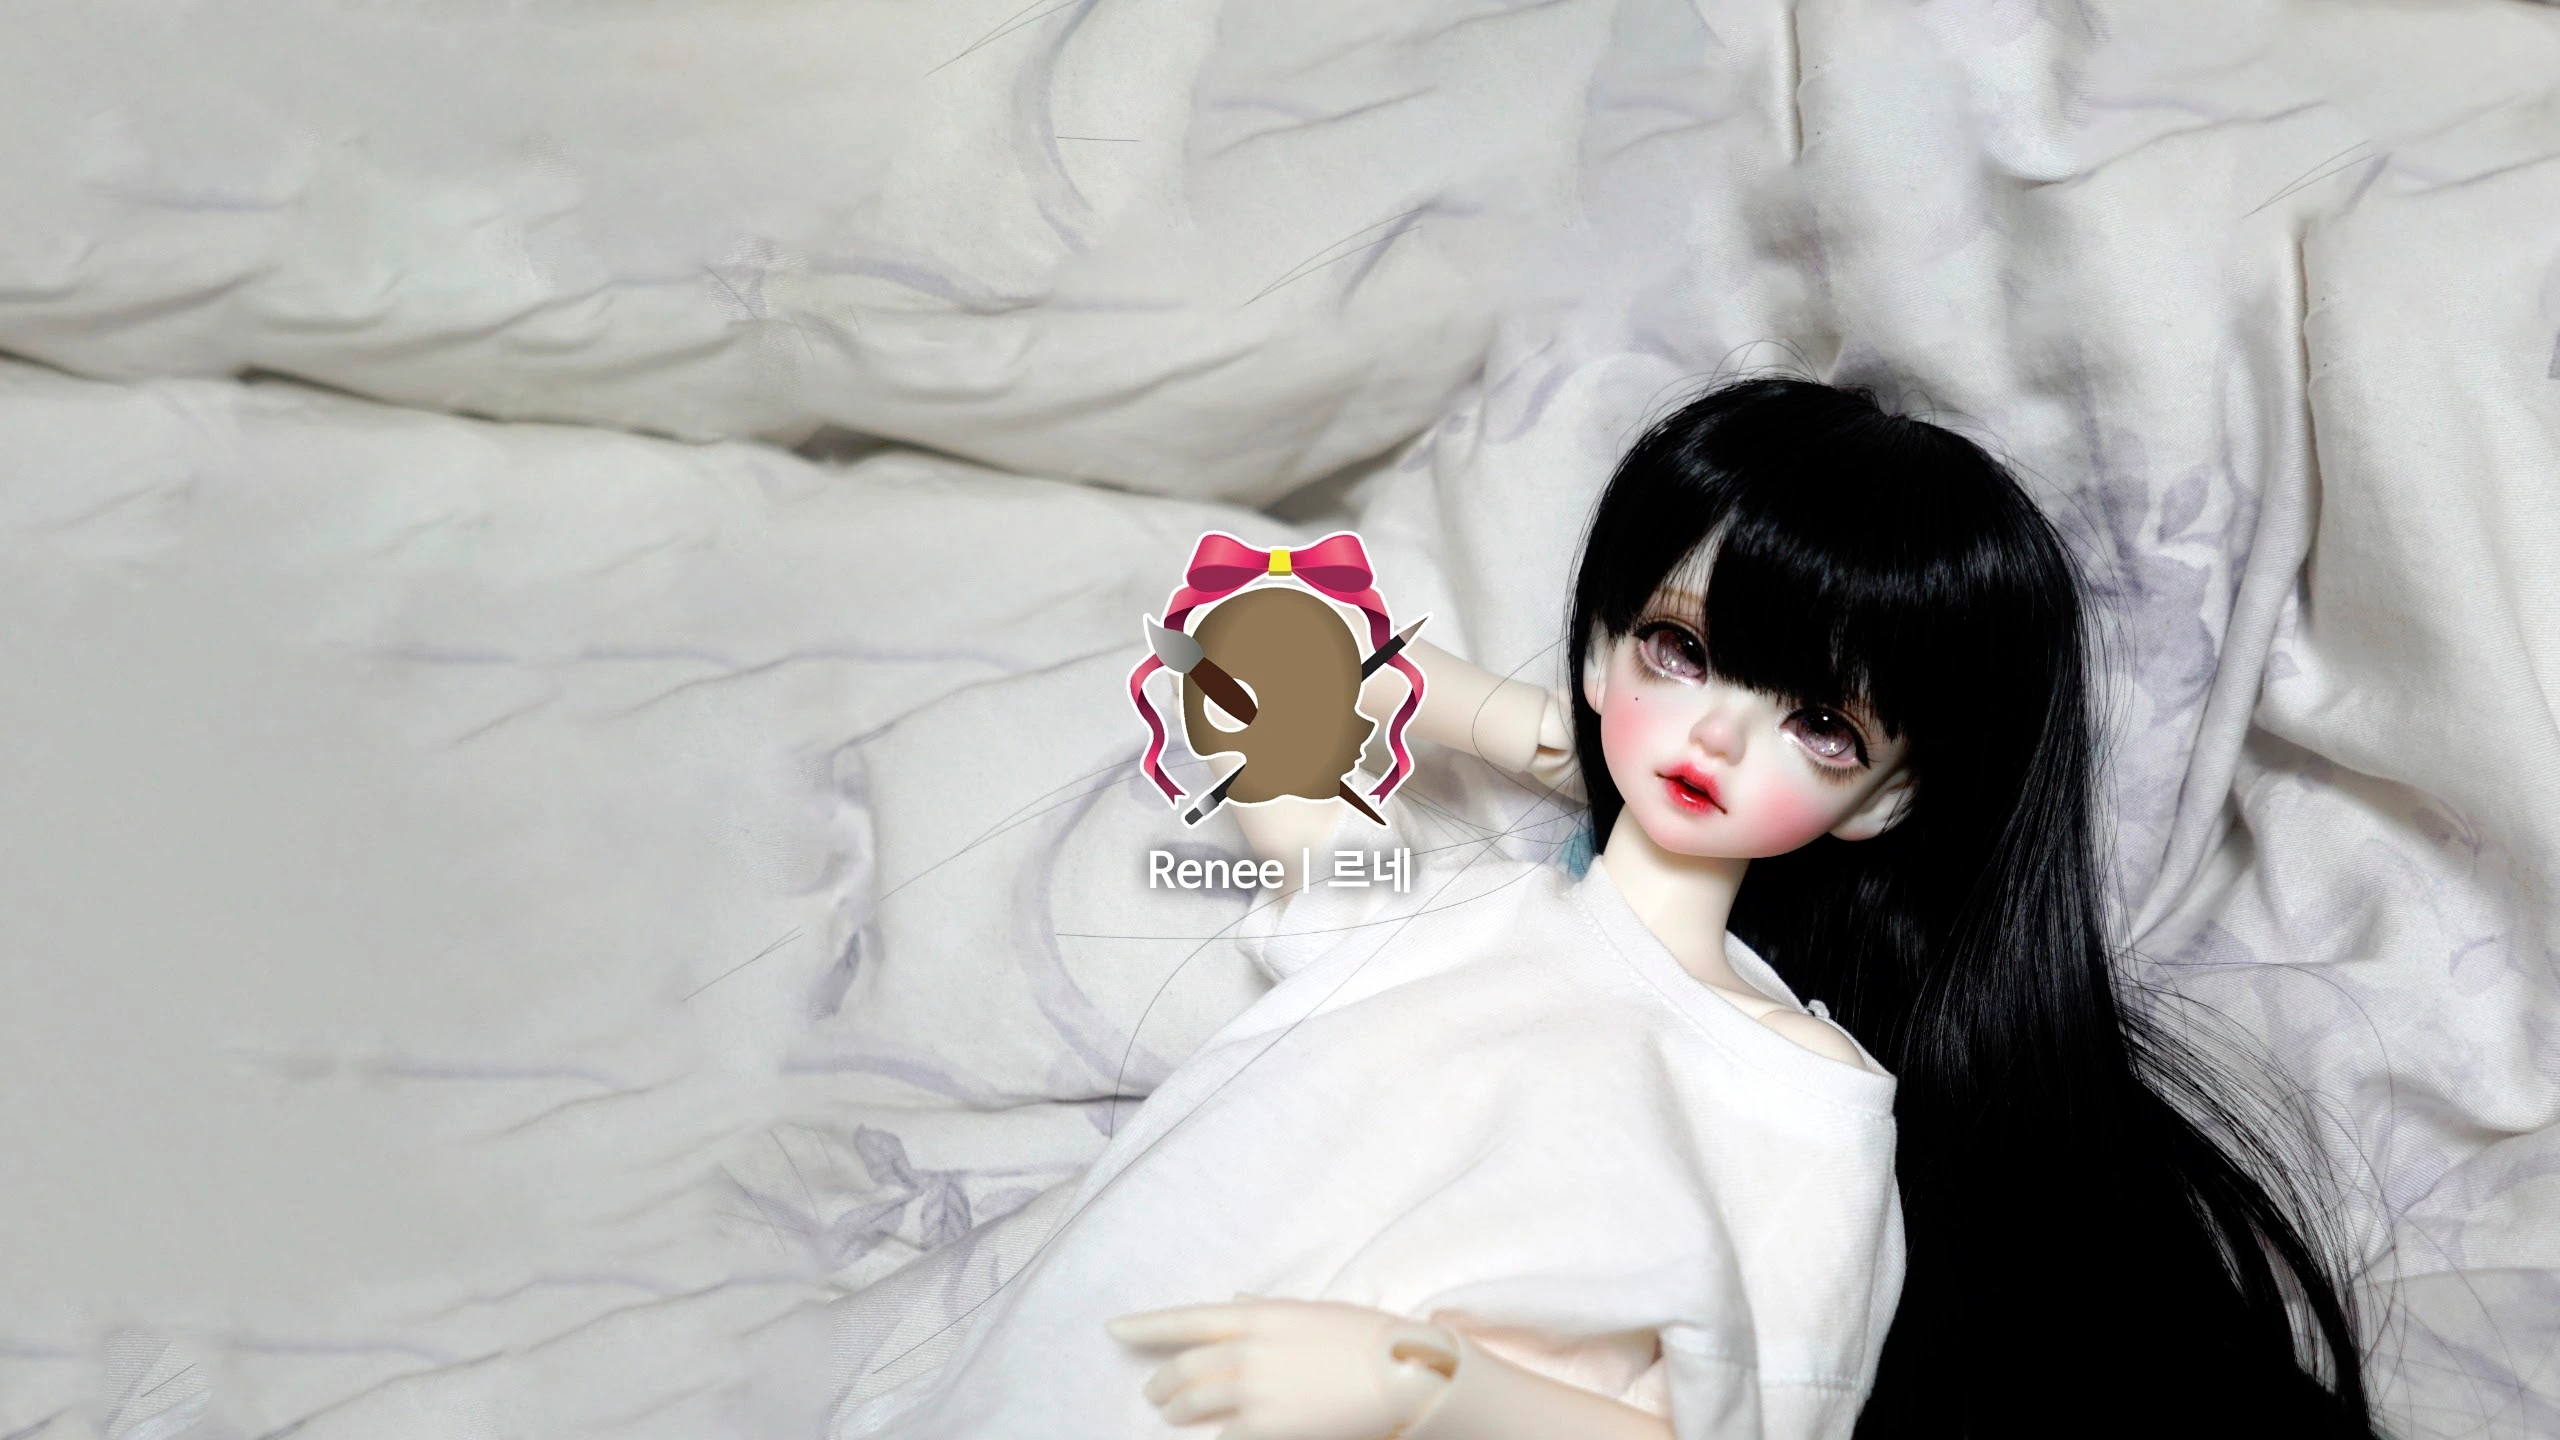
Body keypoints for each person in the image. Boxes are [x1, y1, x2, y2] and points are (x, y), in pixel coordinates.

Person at [845, 377, 2384, 1439]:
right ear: (1599, 644)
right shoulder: (1426, 916)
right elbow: (1242, 620)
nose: (1716, 734)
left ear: (1885, 800)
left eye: (1821, 725)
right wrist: (1555, 735)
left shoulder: (1808, 1088)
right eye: (1682, 649)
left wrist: (1422, 1386)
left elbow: (1739, 1423)